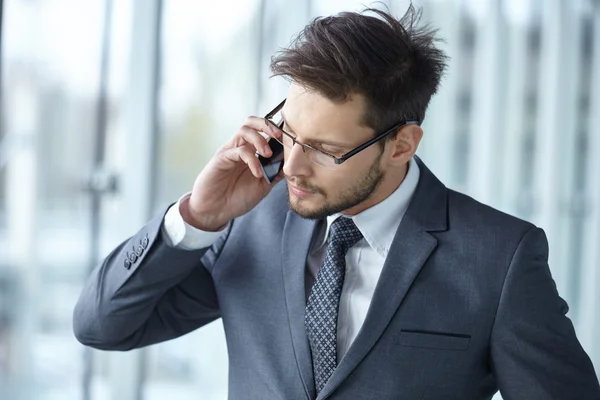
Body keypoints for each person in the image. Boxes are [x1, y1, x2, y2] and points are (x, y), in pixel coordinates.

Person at [73, 5, 600, 400]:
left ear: (402, 144)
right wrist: (195, 220)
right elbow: (102, 326)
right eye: (289, 133)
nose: (294, 166)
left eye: (326, 150)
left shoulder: (499, 258)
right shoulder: (247, 222)